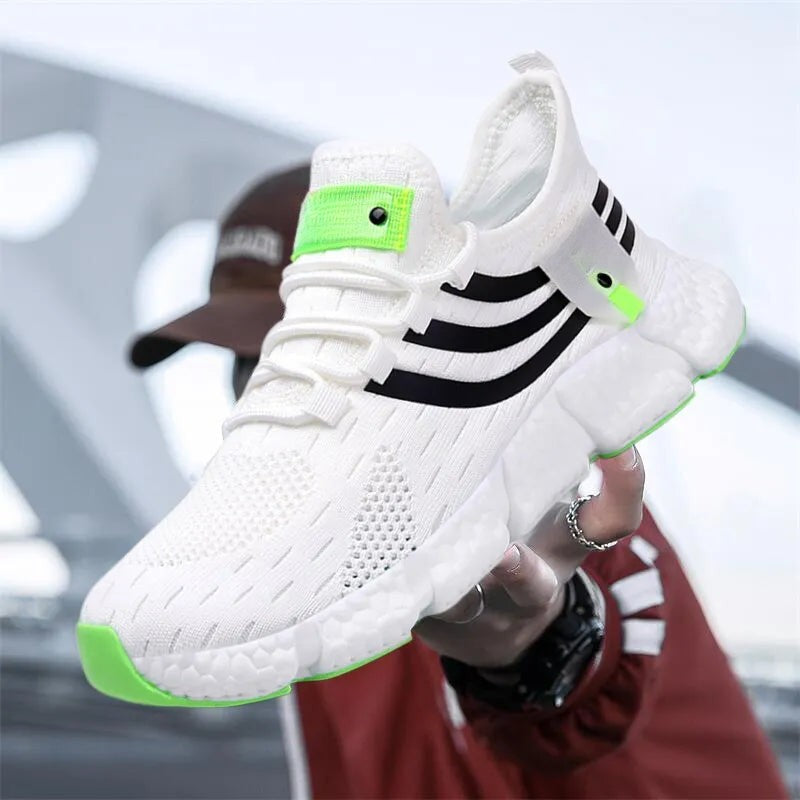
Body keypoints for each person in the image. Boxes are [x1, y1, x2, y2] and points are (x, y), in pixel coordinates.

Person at [129, 165, 787, 799]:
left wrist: (532, 653)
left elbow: (585, 669)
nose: (264, 401)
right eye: (246, 368)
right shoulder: (320, 557)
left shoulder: (555, 503)